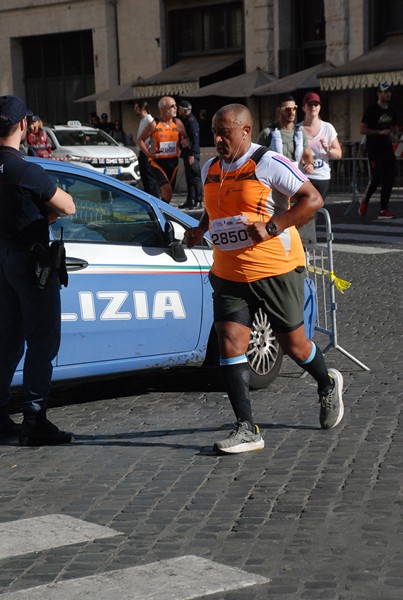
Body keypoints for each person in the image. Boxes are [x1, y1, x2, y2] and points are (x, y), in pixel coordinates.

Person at [184, 103, 344, 454]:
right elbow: (215, 209)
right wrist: (199, 230)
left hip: (275, 269)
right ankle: (246, 428)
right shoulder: (210, 168)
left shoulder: (267, 162)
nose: (218, 138)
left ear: (245, 130)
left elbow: (311, 199)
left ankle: (326, 382)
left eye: (225, 132)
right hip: (228, 273)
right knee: (229, 343)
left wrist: (272, 226)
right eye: (214, 132)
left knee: (295, 346)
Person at [0, 94, 76, 445]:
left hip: (2, 259)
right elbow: (68, 205)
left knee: (8, 341)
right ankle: (34, 420)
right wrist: (46, 211)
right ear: (22, 126)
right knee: (42, 341)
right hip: (30, 262)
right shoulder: (25, 169)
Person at [359, 82, 399, 219]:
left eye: (389, 91)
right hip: (373, 148)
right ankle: (365, 200)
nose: (388, 94)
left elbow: (395, 128)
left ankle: (384, 209)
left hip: (387, 148)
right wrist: (379, 132)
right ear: (379, 94)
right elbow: (362, 129)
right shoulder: (371, 109)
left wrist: (394, 134)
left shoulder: (392, 110)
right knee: (376, 178)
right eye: (385, 91)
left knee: (389, 177)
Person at [137, 96, 189, 203]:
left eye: (175, 106)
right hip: (158, 163)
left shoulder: (177, 122)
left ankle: (160, 211)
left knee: (168, 194)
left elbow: (185, 137)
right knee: (167, 189)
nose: (175, 108)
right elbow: (140, 140)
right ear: (163, 109)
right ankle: (161, 212)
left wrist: (185, 141)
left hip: (173, 162)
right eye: (172, 106)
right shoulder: (154, 124)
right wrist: (148, 154)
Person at [300, 91, 342, 200]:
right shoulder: (297, 129)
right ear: (304, 108)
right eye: (310, 104)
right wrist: (303, 160)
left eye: (316, 104)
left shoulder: (328, 128)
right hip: (303, 177)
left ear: (319, 107)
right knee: (305, 209)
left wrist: (327, 149)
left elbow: (338, 154)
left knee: (317, 209)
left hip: (322, 176)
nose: (313, 107)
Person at [258, 95, 314, 174]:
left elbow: (307, 155)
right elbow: (256, 158)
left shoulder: (300, 132)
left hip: (294, 177)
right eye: (287, 109)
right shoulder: (268, 133)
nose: (291, 112)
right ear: (279, 111)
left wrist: (310, 165)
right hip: (274, 177)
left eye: (294, 108)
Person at [177, 99, 203, 209]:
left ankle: (198, 201)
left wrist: (192, 153)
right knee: (189, 178)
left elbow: (195, 138)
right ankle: (190, 200)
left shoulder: (191, 121)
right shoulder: (185, 120)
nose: (178, 111)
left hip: (191, 153)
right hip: (186, 152)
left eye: (179, 109)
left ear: (184, 110)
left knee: (195, 178)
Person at [134, 100, 159, 195]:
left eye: (136, 108)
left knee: (150, 181)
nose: (135, 110)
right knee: (145, 179)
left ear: (142, 108)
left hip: (146, 154)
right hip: (142, 153)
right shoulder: (143, 120)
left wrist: (148, 153)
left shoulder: (149, 120)